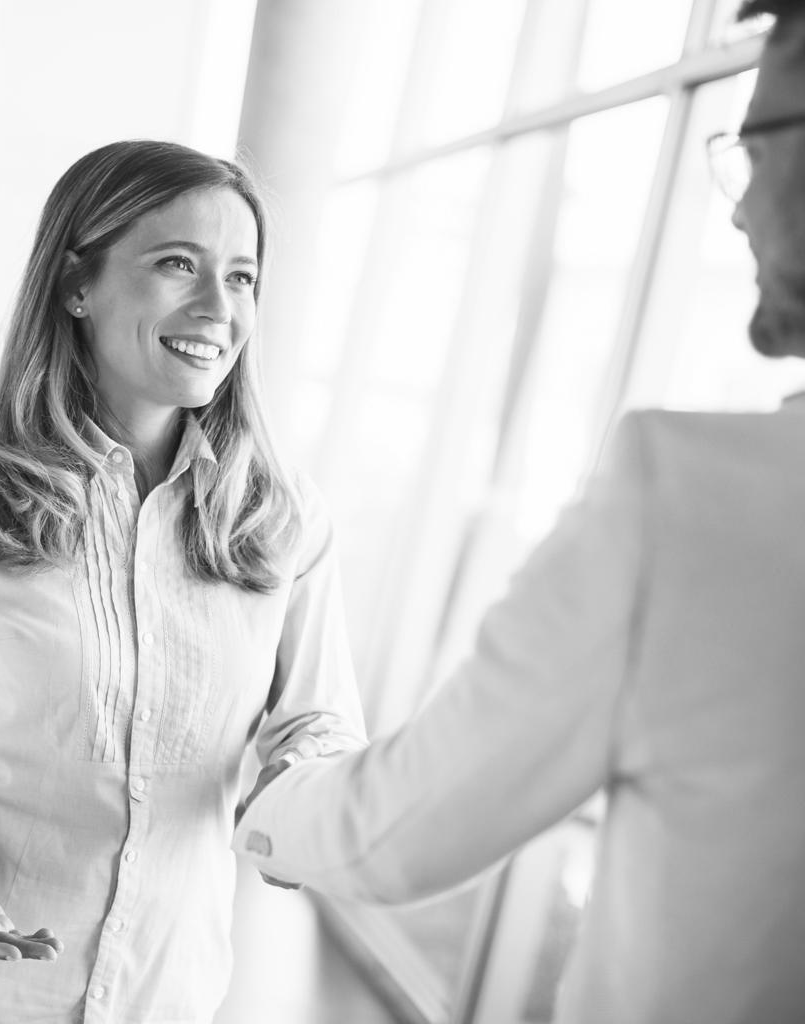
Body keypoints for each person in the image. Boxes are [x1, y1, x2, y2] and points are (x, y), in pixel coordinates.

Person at [233, 4, 805, 1023]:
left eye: (753, 147)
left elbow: (402, 828)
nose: (735, 206)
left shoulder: (689, 498)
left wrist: (262, 803)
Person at [0, 140, 366, 1024]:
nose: (216, 308)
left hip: (170, 998)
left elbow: (318, 721)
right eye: (176, 265)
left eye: (241, 278)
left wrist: (298, 794)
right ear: (77, 286)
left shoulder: (284, 517)